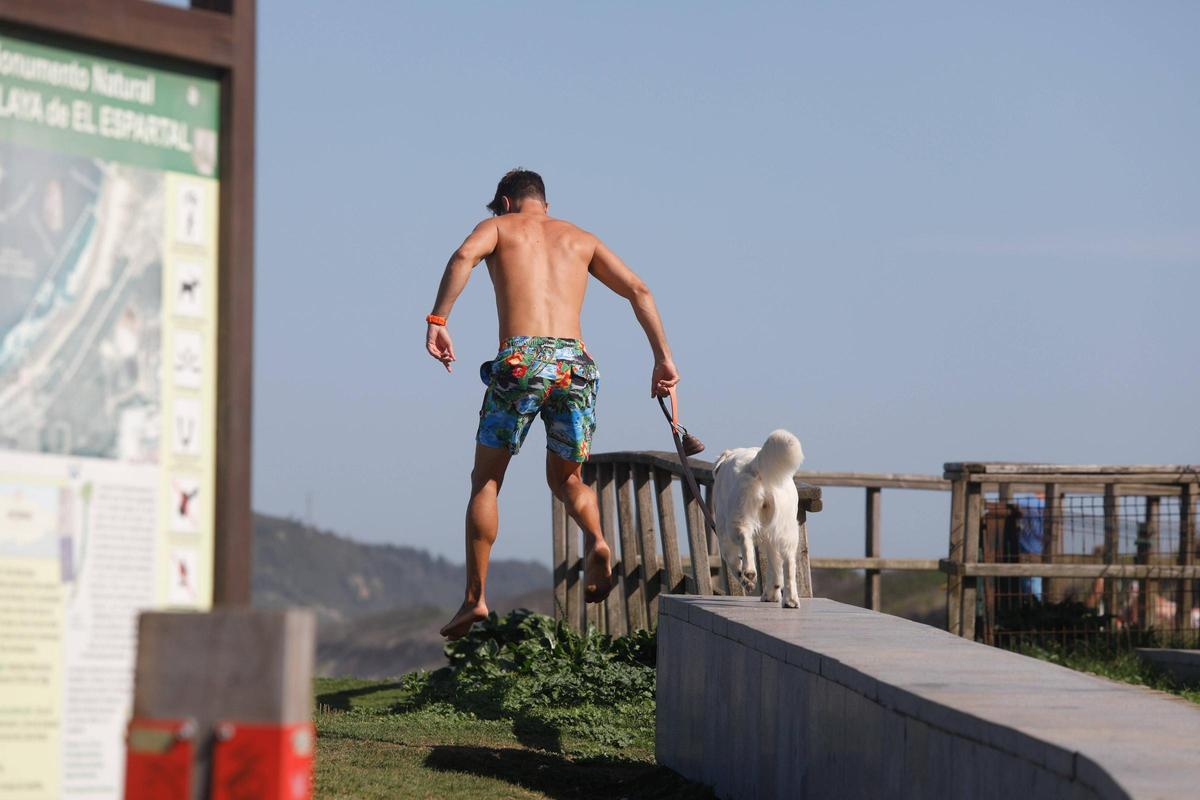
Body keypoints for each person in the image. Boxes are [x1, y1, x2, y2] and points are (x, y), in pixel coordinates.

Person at [426, 169, 679, 639]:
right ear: (544, 201)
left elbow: (464, 255)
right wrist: (662, 359)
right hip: (574, 365)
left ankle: (475, 597)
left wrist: (439, 318)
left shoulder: (498, 228)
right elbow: (638, 290)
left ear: (504, 202)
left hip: (522, 361)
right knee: (568, 479)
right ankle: (598, 540)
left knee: (487, 480)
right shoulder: (580, 238)